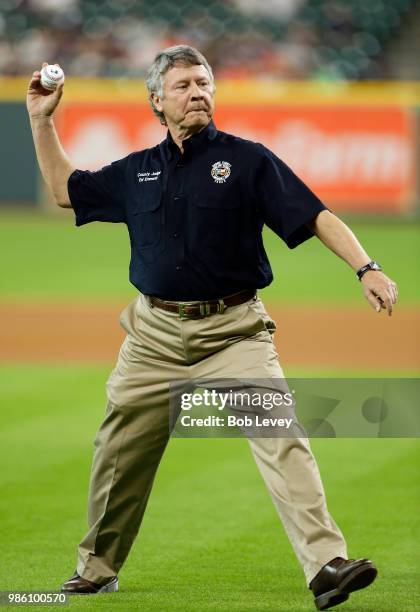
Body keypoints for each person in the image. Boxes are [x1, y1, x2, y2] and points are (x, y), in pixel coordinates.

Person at [27, 46, 397, 610]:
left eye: (204, 82)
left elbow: (314, 213)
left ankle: (327, 564)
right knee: (118, 454)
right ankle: (97, 569)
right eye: (182, 85)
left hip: (233, 333)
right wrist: (41, 119)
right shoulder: (136, 171)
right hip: (152, 336)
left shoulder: (248, 161)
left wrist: (365, 267)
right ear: (156, 100)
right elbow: (62, 189)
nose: (197, 92)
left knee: (281, 437)